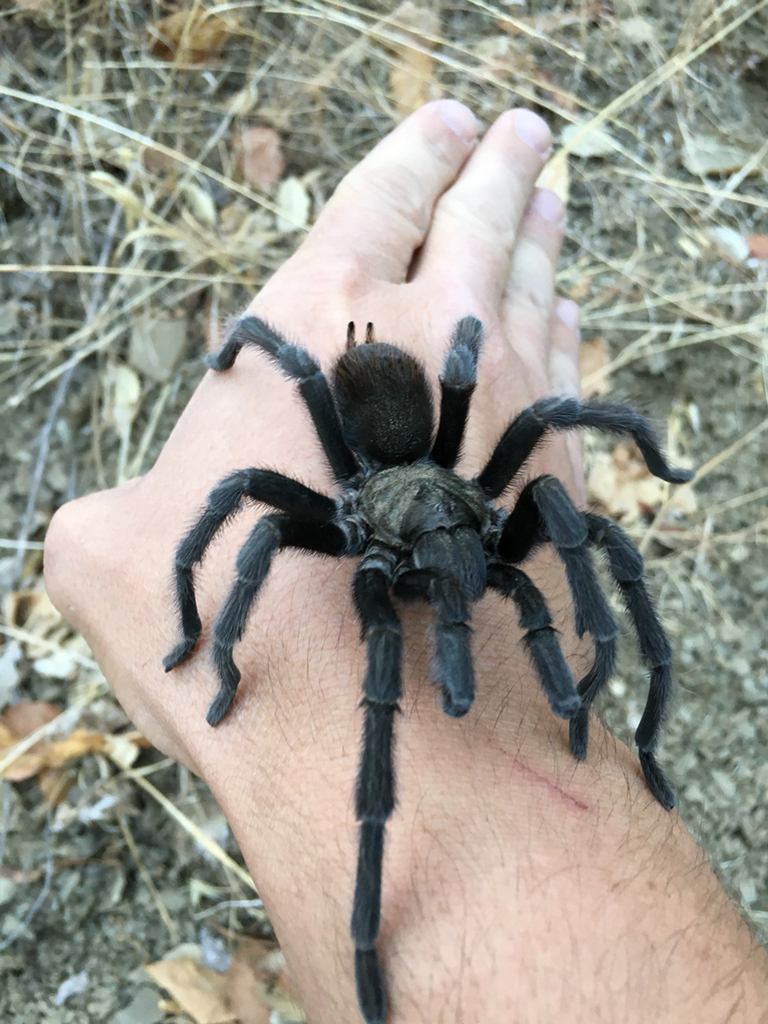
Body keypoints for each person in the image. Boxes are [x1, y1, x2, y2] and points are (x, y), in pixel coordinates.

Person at [44, 101, 768, 1023]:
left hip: (436, 485)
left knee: (590, 524)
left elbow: (525, 406)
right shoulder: (340, 517)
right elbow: (244, 517)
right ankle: (363, 929)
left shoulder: (495, 503)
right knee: (266, 519)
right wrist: (210, 641)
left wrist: (602, 662)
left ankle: (643, 741)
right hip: (375, 517)